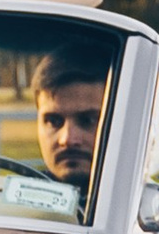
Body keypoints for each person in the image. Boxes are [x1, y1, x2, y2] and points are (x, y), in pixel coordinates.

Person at [31, 39, 114, 190]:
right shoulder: (15, 209)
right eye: (54, 121)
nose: (67, 140)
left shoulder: (148, 206)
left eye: (88, 120)